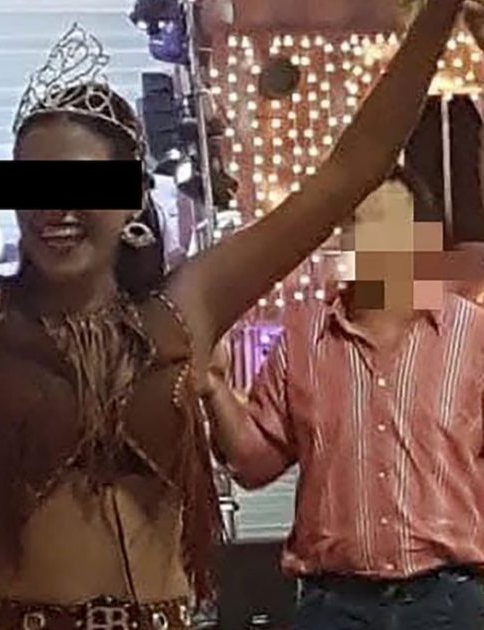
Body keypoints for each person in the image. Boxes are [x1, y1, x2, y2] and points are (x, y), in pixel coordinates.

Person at [0, 2, 466, 627]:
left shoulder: (185, 306)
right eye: (31, 183)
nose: (54, 208)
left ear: (131, 199)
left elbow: (352, 168)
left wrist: (438, 12)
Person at [203, 166, 484, 630]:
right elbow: (253, 464)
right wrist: (212, 384)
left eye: (383, 226)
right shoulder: (303, 339)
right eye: (354, 224)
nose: (364, 240)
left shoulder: (472, 336)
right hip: (335, 605)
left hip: (451, 600)